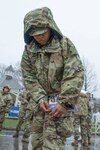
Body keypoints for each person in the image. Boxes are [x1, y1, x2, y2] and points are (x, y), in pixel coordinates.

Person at [21, 7, 84, 150]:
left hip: (59, 104)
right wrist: (40, 98)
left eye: (42, 32)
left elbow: (74, 74)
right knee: (37, 142)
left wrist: (65, 102)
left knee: (53, 145)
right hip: (40, 106)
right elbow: (28, 76)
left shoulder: (65, 45)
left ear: (50, 27)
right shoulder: (29, 51)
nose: (39, 37)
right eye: (35, 34)